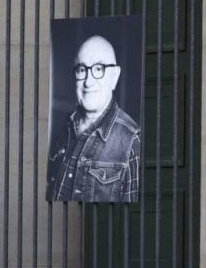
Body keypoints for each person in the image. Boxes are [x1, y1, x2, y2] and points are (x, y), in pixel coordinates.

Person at [47, 35, 141, 202]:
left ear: (114, 76)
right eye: (82, 69)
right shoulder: (65, 126)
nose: (88, 82)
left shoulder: (132, 141)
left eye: (99, 69)